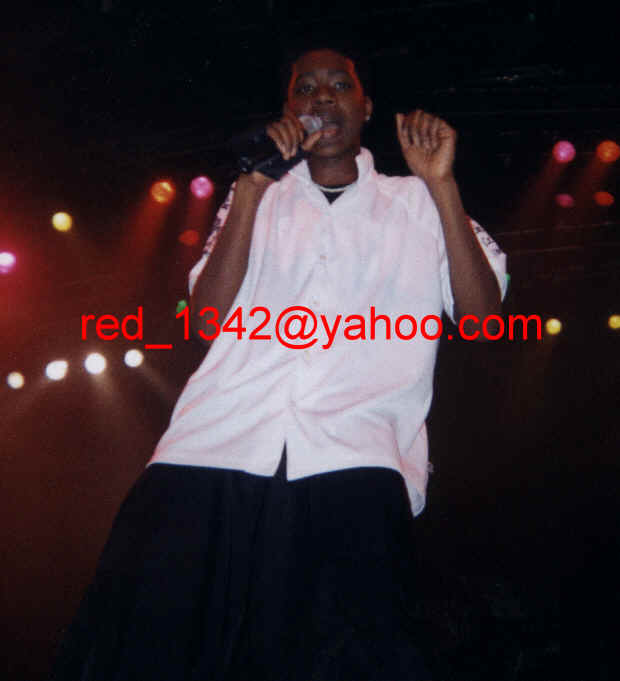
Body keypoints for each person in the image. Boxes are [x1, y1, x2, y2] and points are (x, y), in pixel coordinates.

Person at [50, 46, 507, 681]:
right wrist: (250, 188)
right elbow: (207, 322)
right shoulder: (257, 195)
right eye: (306, 88)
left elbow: (482, 319)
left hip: (356, 459)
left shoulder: (418, 202)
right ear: (288, 110)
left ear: (366, 107)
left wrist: (443, 185)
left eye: (339, 85)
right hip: (211, 451)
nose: (322, 98)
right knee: (151, 652)